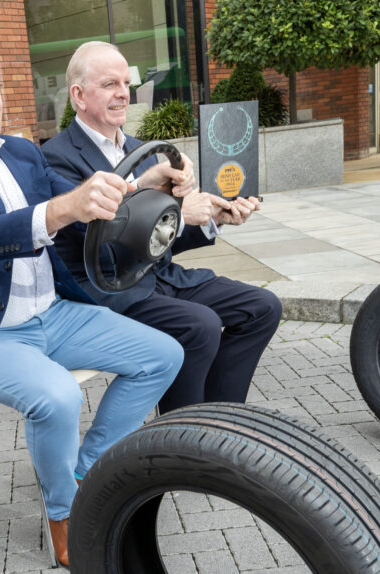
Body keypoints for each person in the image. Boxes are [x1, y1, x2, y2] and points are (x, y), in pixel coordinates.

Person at [0, 46, 182, 567]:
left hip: (53, 313)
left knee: (163, 355)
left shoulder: (23, 153)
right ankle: (65, 515)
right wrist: (64, 208)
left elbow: (81, 198)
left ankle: (86, 472)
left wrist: (141, 185)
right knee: (58, 398)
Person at [42, 41, 282, 413]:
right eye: (109, 84)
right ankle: (180, 434)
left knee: (262, 307)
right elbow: (100, 242)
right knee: (199, 325)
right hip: (105, 289)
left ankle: (220, 419)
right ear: (78, 95)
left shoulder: (141, 150)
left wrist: (211, 219)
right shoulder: (54, 158)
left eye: (126, 83)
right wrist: (183, 213)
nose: (123, 93)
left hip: (157, 277)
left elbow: (160, 240)